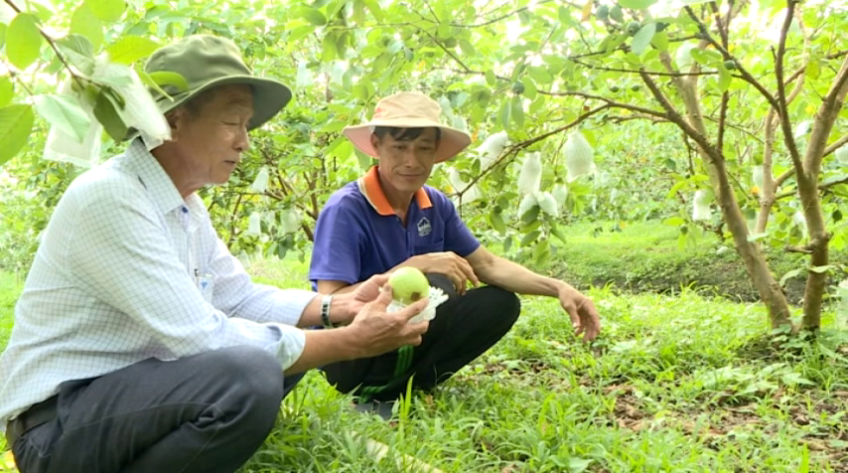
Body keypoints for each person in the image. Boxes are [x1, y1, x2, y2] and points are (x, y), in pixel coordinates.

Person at [0, 35, 429, 473]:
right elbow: (200, 337)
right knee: (250, 373)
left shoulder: (184, 204)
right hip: (55, 425)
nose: (244, 142)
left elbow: (237, 296)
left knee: (283, 342)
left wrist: (336, 307)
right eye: (231, 123)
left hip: (124, 397)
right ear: (174, 121)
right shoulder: (112, 196)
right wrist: (349, 342)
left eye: (246, 126)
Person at [309, 91, 602, 415]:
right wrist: (414, 266)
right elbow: (330, 304)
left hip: (403, 335)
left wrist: (558, 288)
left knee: (499, 304)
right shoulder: (346, 209)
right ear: (377, 146)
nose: (412, 161)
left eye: (424, 148)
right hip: (346, 353)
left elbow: (487, 264)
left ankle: (410, 386)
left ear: (436, 151)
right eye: (399, 148)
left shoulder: (435, 204)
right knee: (436, 281)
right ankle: (371, 395)